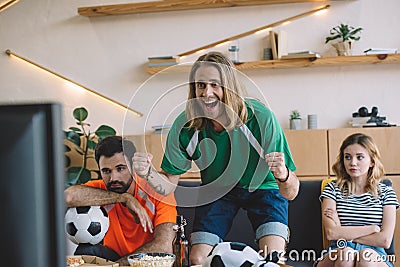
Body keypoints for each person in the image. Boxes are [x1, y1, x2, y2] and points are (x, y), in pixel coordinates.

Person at [132, 51, 300, 265]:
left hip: (264, 188)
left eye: (215, 85)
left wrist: (283, 174)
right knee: (197, 259)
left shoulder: (260, 118)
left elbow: (291, 192)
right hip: (218, 190)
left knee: (273, 259)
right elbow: (168, 185)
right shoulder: (187, 125)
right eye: (200, 85)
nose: (206, 93)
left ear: (229, 88)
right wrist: (148, 173)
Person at [64, 136, 177, 265]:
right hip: (113, 256)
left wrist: (116, 266)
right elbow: (68, 196)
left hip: (147, 261)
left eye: (121, 168)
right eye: (106, 171)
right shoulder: (101, 189)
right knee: (86, 250)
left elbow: (164, 247)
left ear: (132, 167)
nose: (113, 178)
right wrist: (124, 198)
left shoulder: (158, 191)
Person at [317, 133, 399, 267]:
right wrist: (372, 229)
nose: (352, 163)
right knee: (346, 255)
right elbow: (332, 233)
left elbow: (384, 240)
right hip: (339, 250)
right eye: (347, 157)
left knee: (366, 257)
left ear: (372, 161)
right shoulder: (332, 189)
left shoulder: (386, 192)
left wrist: (343, 231)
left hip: (375, 253)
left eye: (359, 157)